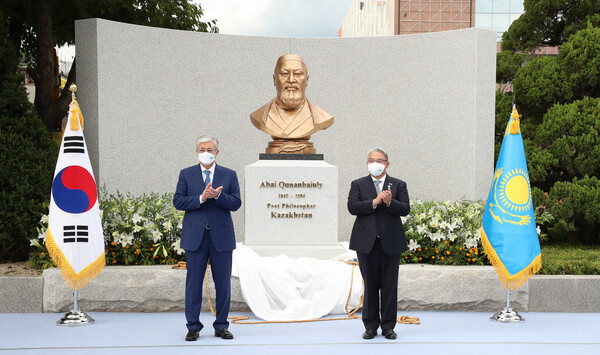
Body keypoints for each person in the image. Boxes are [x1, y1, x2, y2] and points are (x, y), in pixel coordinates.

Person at [173, 135, 241, 341]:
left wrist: (218, 196)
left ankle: (221, 325)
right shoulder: (186, 174)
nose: (206, 153)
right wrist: (202, 198)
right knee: (193, 283)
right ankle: (193, 326)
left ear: (217, 153)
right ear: (197, 152)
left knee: (222, 283)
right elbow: (178, 201)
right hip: (196, 237)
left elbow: (236, 203)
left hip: (221, 237)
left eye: (210, 149)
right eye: (202, 149)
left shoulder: (229, 175)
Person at [347, 147, 410, 340]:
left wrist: (390, 202)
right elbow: (352, 207)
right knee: (371, 285)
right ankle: (371, 326)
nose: (375, 164)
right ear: (367, 163)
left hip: (391, 242)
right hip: (366, 242)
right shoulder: (358, 184)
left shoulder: (398, 185)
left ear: (387, 164)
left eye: (380, 160)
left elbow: (405, 209)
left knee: (390, 286)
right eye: (371, 160)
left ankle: (389, 326)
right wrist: (374, 201)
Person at [250, 54, 334, 153]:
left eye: (298, 74)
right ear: (274, 79)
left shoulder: (322, 117)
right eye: (285, 74)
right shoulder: (259, 117)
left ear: (306, 80)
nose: (291, 80)